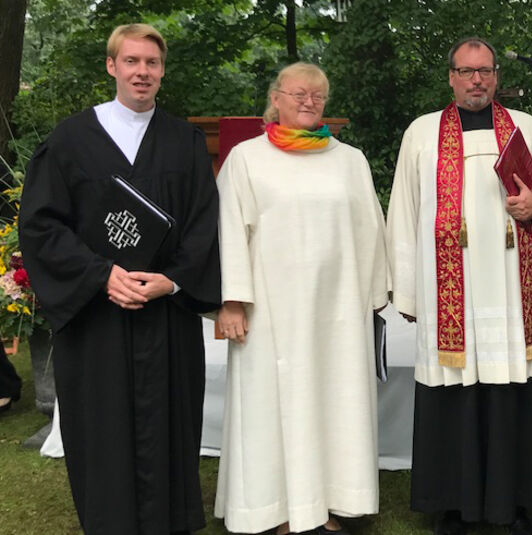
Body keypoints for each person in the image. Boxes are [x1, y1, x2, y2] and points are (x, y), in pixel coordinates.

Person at [18, 23, 220, 534]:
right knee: (102, 425)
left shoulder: (184, 141)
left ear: (162, 70)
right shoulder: (69, 141)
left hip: (164, 317)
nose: (142, 72)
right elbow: (41, 226)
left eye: (151, 63)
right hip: (97, 318)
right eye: (131, 61)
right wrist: (100, 275)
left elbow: (202, 224)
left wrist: (172, 281)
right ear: (112, 66)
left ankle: (169, 523)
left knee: (168, 421)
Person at [386, 36, 532, 535]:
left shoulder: (526, 130)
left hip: (513, 292)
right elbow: (402, 212)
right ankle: (452, 505)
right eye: (467, 71)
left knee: (511, 383)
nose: (476, 80)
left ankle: (513, 504)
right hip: (449, 293)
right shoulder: (423, 134)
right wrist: (406, 290)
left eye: (485, 71)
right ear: (450, 76)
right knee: (454, 387)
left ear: (496, 76)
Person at [213, 62, 388, 535]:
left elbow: (370, 227)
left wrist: (374, 294)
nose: (309, 102)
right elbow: (228, 229)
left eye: (318, 95)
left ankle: (330, 504)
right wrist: (231, 301)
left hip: (337, 311)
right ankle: (275, 511)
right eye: (299, 94)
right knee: (273, 405)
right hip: (271, 311)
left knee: (335, 400)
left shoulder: (349, 160)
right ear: (275, 98)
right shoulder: (247, 159)